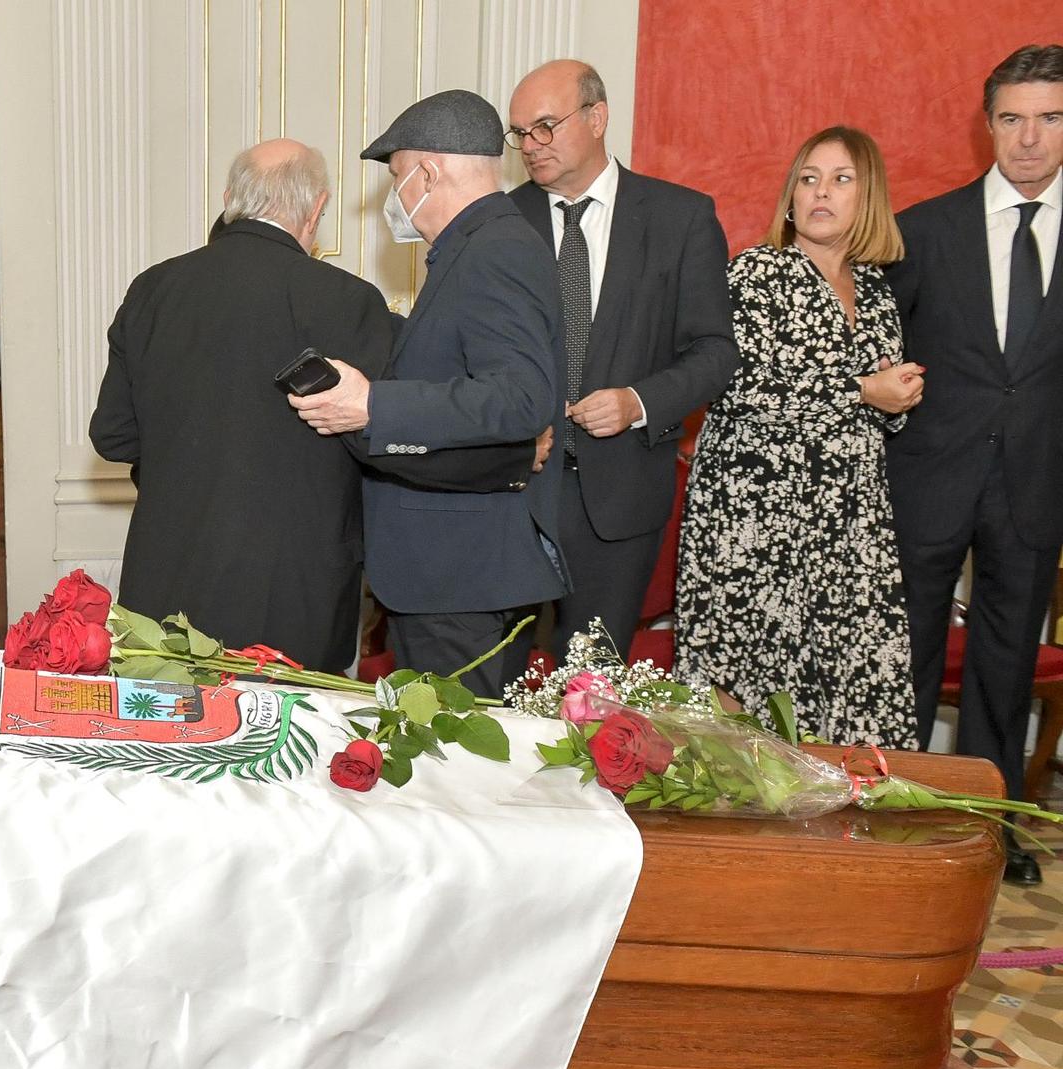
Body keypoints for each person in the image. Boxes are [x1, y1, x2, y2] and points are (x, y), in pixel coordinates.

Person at [90, 139, 534, 673]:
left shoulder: (152, 289)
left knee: (168, 743)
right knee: (287, 747)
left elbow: (113, 435)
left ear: (231, 198)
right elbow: (387, 440)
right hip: (297, 585)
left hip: (165, 578)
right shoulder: (347, 300)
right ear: (317, 208)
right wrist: (514, 456)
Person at [290, 90, 564, 696]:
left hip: (459, 574)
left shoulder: (495, 251)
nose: (395, 196)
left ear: (428, 172)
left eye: (396, 177)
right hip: (447, 571)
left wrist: (373, 405)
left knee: (457, 768)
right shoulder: (473, 249)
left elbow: (520, 397)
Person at [675, 127, 922, 749]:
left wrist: (897, 397)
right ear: (790, 196)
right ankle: (740, 841)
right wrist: (864, 390)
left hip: (846, 526)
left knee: (843, 681)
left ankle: (832, 834)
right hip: (755, 522)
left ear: (868, 197)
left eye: (841, 180)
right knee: (746, 695)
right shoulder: (759, 273)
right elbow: (741, 390)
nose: (821, 192)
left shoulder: (877, 291)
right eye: (808, 179)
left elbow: (881, 411)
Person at [887, 46, 1063, 884]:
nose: (1028, 138)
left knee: (1005, 661)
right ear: (986, 124)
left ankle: (991, 828)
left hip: (1038, 484)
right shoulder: (923, 231)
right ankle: (902, 809)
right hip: (927, 478)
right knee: (909, 650)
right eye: (1011, 118)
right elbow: (883, 356)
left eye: (1049, 118)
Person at [506, 60, 737, 654]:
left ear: (598, 117)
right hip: (512, 488)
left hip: (619, 495)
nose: (531, 146)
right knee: (491, 689)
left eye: (545, 127)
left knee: (590, 692)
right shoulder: (503, 222)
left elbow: (715, 352)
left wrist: (638, 402)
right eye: (520, 133)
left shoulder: (680, 218)